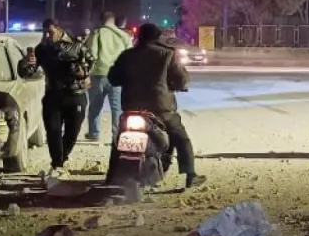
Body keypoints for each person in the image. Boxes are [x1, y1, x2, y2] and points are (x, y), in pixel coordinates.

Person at [108, 23, 205, 189]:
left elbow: (113, 78)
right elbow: (181, 79)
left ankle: (111, 176)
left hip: (131, 106)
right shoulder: (167, 54)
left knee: (119, 139)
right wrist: (176, 85)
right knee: (180, 137)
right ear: (158, 37)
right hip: (160, 108)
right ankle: (190, 174)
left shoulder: (127, 55)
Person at [36, 19, 95, 175]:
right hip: (53, 96)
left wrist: (84, 72)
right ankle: (57, 164)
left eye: (50, 32)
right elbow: (29, 70)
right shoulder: (42, 49)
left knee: (72, 133)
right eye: (44, 32)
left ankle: (61, 160)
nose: (47, 36)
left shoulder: (77, 45)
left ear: (59, 30)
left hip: (75, 95)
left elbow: (90, 61)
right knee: (53, 131)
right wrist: (26, 64)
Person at [82, 11, 133, 142]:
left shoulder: (96, 34)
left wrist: (87, 73)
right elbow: (130, 55)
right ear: (113, 20)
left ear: (101, 20)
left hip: (99, 74)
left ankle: (94, 133)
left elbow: (92, 54)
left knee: (95, 106)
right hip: (117, 76)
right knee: (117, 108)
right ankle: (117, 134)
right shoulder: (123, 35)